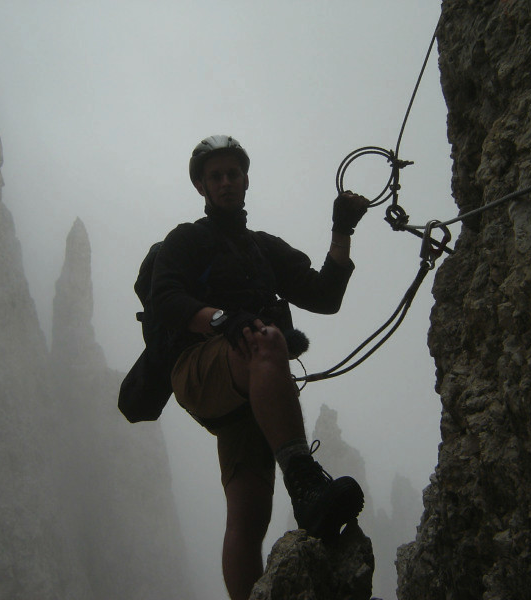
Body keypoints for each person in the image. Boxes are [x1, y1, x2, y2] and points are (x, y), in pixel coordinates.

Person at [150, 135, 369, 600]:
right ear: (202, 187)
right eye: (216, 176)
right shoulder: (187, 240)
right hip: (199, 367)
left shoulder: (262, 248)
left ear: (246, 180)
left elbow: (325, 296)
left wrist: (342, 229)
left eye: (234, 173)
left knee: (248, 513)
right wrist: (224, 320)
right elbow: (164, 297)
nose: (227, 182)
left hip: (250, 383)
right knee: (266, 340)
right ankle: (305, 482)